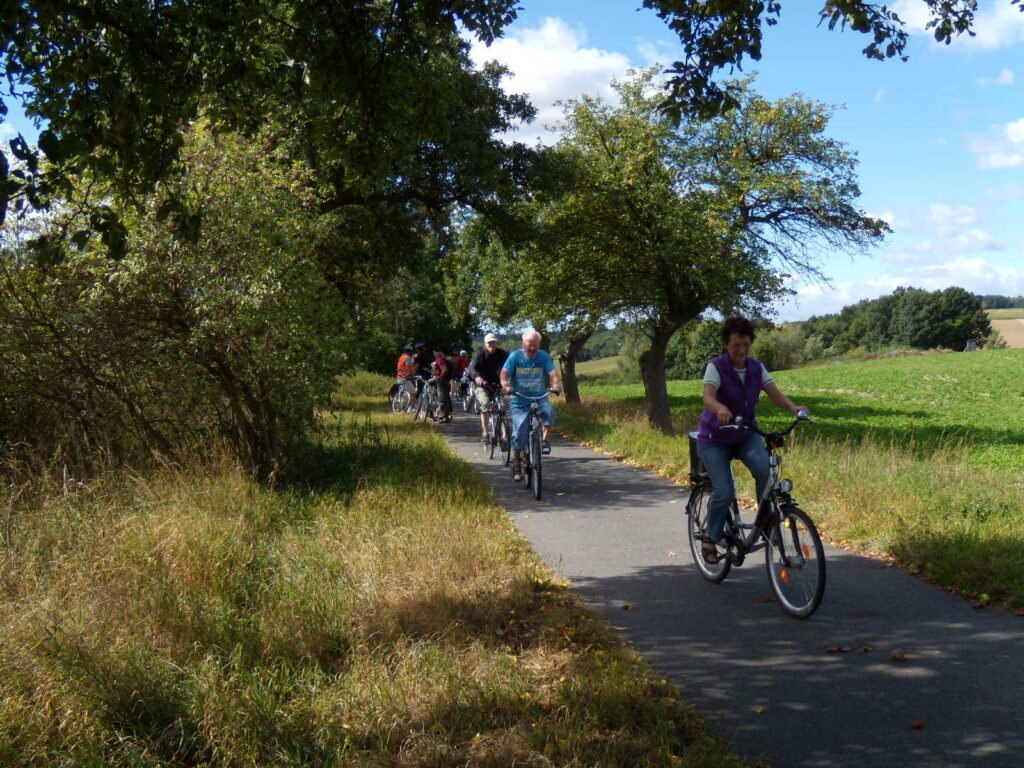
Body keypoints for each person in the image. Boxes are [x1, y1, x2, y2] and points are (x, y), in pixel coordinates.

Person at [696, 317, 809, 564]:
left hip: (746, 434)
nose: (742, 350)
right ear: (727, 345)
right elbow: (708, 398)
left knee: (765, 474)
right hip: (715, 438)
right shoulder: (716, 367)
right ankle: (710, 536)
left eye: (746, 345)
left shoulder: (757, 367)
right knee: (724, 491)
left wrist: (794, 409)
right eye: (736, 345)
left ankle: (768, 526)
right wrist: (720, 408)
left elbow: (775, 394)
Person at [501, 330, 561, 482]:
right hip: (520, 399)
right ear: (523, 344)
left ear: (538, 345)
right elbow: (504, 373)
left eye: (535, 345)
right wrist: (505, 385)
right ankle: (516, 462)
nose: (532, 348)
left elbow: (553, 372)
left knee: (548, 410)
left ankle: (544, 441)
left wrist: (556, 384)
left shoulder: (544, 357)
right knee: (519, 430)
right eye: (529, 345)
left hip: (539, 397)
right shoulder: (515, 356)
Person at [468, 332, 509, 444]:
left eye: (493, 342)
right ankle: (485, 433)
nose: (492, 344)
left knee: (503, 406)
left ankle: (505, 435)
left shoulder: (502, 354)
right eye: (489, 343)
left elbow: (510, 366)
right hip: (484, 385)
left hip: (498, 385)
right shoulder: (480, 355)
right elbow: (472, 368)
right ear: (485, 344)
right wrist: (477, 377)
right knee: (485, 403)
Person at [429, 346, 453, 422]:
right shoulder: (440, 358)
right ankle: (444, 415)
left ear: (436, 352)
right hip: (443, 380)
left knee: (442, 398)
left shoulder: (440, 359)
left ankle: (444, 417)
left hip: (442, 381)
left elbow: (444, 369)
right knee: (444, 398)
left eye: (434, 352)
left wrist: (440, 377)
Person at [395, 344, 417, 410]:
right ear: (409, 351)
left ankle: (402, 406)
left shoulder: (401, 357)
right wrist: (412, 373)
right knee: (413, 393)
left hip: (399, 377)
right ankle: (410, 408)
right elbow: (408, 366)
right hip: (405, 377)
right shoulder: (407, 358)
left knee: (404, 393)